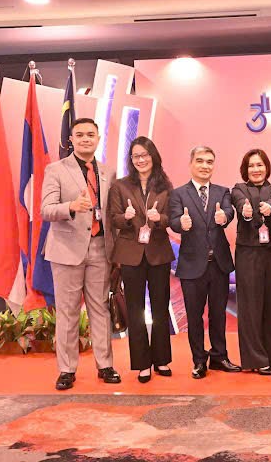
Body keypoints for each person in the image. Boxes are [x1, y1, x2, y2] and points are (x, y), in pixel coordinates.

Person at [41, 118, 121, 390]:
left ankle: (105, 365)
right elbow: (46, 209)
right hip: (66, 250)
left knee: (100, 309)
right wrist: (71, 207)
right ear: (71, 140)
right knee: (68, 312)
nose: (85, 139)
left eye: (90, 134)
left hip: (101, 248)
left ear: (98, 138)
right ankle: (66, 370)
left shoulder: (108, 172)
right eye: (80, 135)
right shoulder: (56, 169)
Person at [108, 136, 175, 383]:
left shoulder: (165, 186)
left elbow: (172, 218)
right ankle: (142, 364)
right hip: (130, 254)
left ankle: (161, 360)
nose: (141, 160)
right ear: (131, 159)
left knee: (160, 308)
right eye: (136, 156)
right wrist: (125, 217)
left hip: (158, 253)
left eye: (145, 155)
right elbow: (113, 218)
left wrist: (160, 220)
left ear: (153, 157)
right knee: (136, 311)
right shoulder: (120, 185)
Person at [169, 146, 241, 379]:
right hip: (192, 265)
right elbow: (173, 220)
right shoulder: (178, 194)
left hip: (219, 264)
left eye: (209, 162)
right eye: (200, 161)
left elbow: (229, 213)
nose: (205, 166)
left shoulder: (222, 192)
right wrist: (180, 224)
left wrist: (224, 217)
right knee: (194, 316)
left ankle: (220, 357)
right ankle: (199, 361)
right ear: (191, 164)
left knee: (218, 314)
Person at [232, 149, 271, 375]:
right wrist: (245, 212)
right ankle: (255, 359)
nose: (256, 169)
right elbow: (239, 202)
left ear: (267, 167)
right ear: (246, 169)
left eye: (260, 165)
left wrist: (270, 207)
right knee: (250, 306)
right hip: (248, 253)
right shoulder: (238, 189)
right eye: (251, 165)